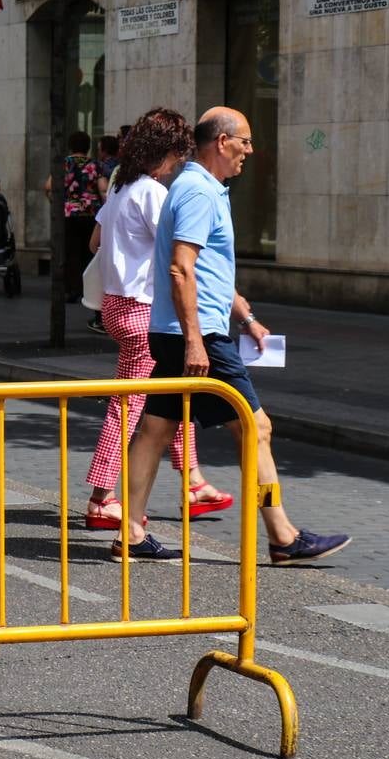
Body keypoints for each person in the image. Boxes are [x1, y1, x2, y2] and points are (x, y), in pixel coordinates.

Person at [117, 107, 351, 566]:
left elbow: (208, 271)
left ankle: (129, 531)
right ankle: (283, 535)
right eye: (244, 141)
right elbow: (181, 269)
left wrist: (244, 316)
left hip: (174, 330)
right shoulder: (200, 193)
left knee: (153, 430)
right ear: (221, 142)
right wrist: (197, 341)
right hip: (195, 333)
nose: (249, 150)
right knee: (255, 426)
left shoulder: (195, 188)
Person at [82, 108, 229, 531]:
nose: (177, 166)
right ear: (163, 153)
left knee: (170, 396)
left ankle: (194, 482)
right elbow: (177, 251)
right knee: (129, 406)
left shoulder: (119, 189)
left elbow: (95, 241)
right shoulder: (151, 193)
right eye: (176, 157)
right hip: (143, 307)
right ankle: (101, 497)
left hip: (117, 304)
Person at [45, 131, 107, 303]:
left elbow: (48, 187)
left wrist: (56, 204)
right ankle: (88, 289)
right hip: (90, 214)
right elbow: (103, 190)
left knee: (70, 252)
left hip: (69, 213)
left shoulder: (64, 163)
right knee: (89, 251)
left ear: (70, 145)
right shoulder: (95, 164)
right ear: (88, 147)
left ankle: (72, 289)